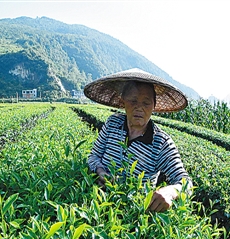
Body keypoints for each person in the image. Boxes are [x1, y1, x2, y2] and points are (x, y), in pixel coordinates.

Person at [83, 68, 193, 212]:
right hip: (99, 205)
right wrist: (100, 171)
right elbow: (93, 156)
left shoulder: (161, 143)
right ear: (123, 102)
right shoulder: (112, 124)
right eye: (133, 100)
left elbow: (186, 183)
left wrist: (170, 192)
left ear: (154, 106)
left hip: (134, 214)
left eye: (146, 103)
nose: (139, 107)